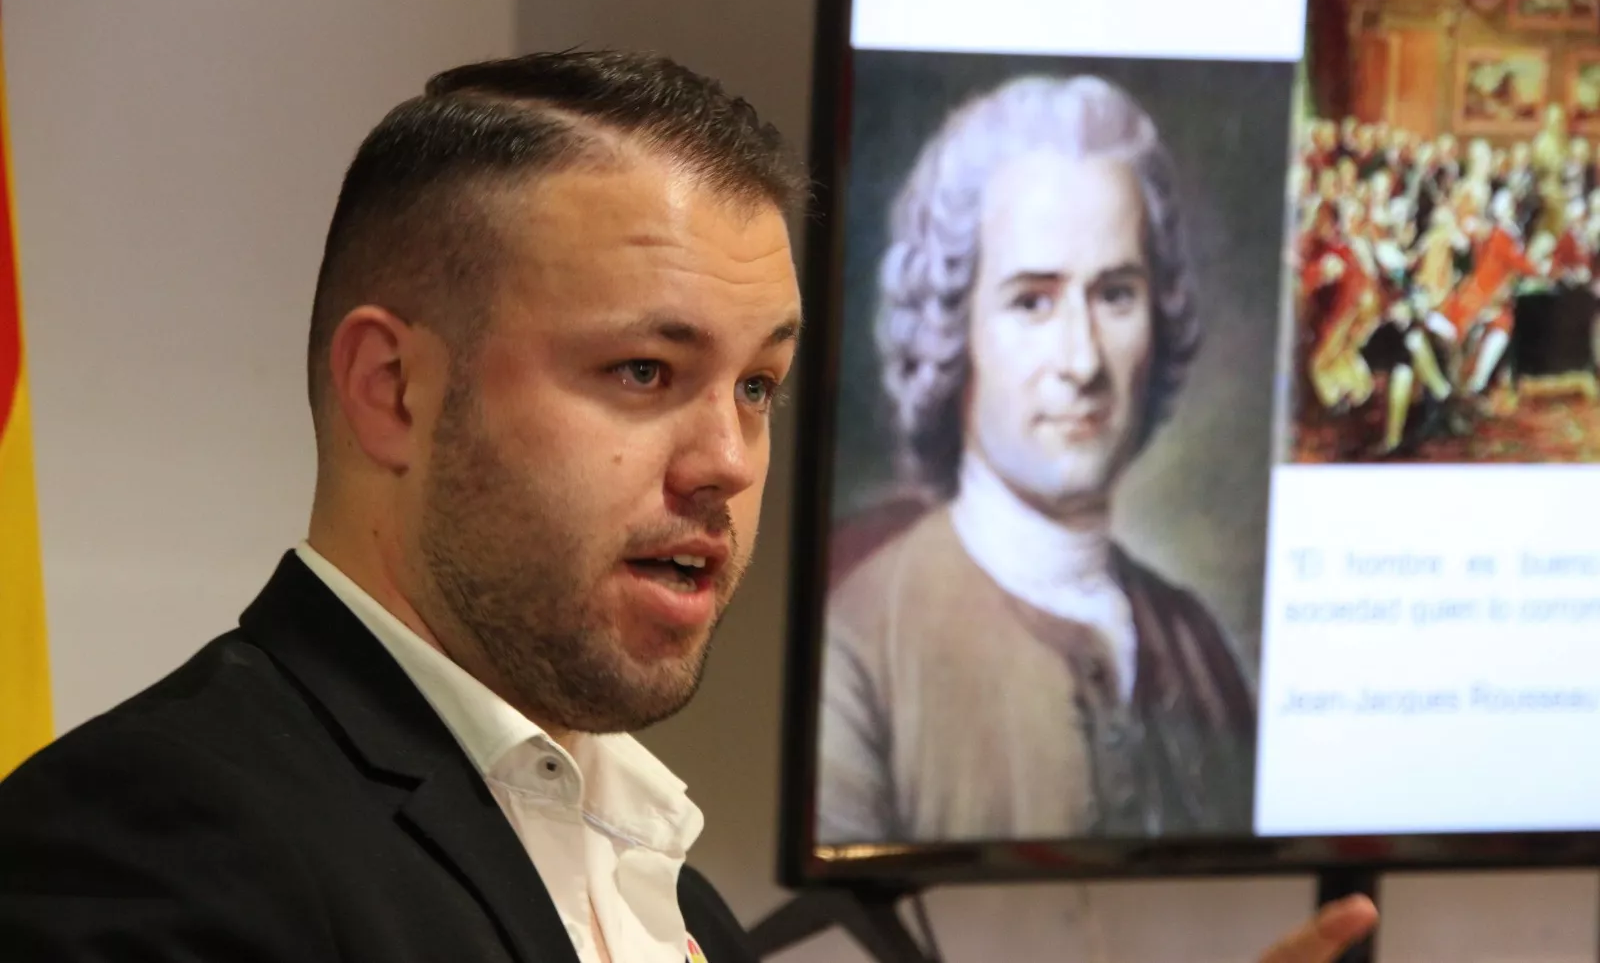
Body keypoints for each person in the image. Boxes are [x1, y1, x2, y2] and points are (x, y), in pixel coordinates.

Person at [0, 50, 1376, 963]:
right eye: (645, 370)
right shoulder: (146, 843)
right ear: (394, 390)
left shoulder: (671, 889)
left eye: (761, 385)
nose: (725, 458)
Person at [818, 74, 1256, 846]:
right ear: (955, 329)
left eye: (1115, 294)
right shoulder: (859, 647)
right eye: (1032, 301)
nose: (1082, 359)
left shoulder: (1197, 644)